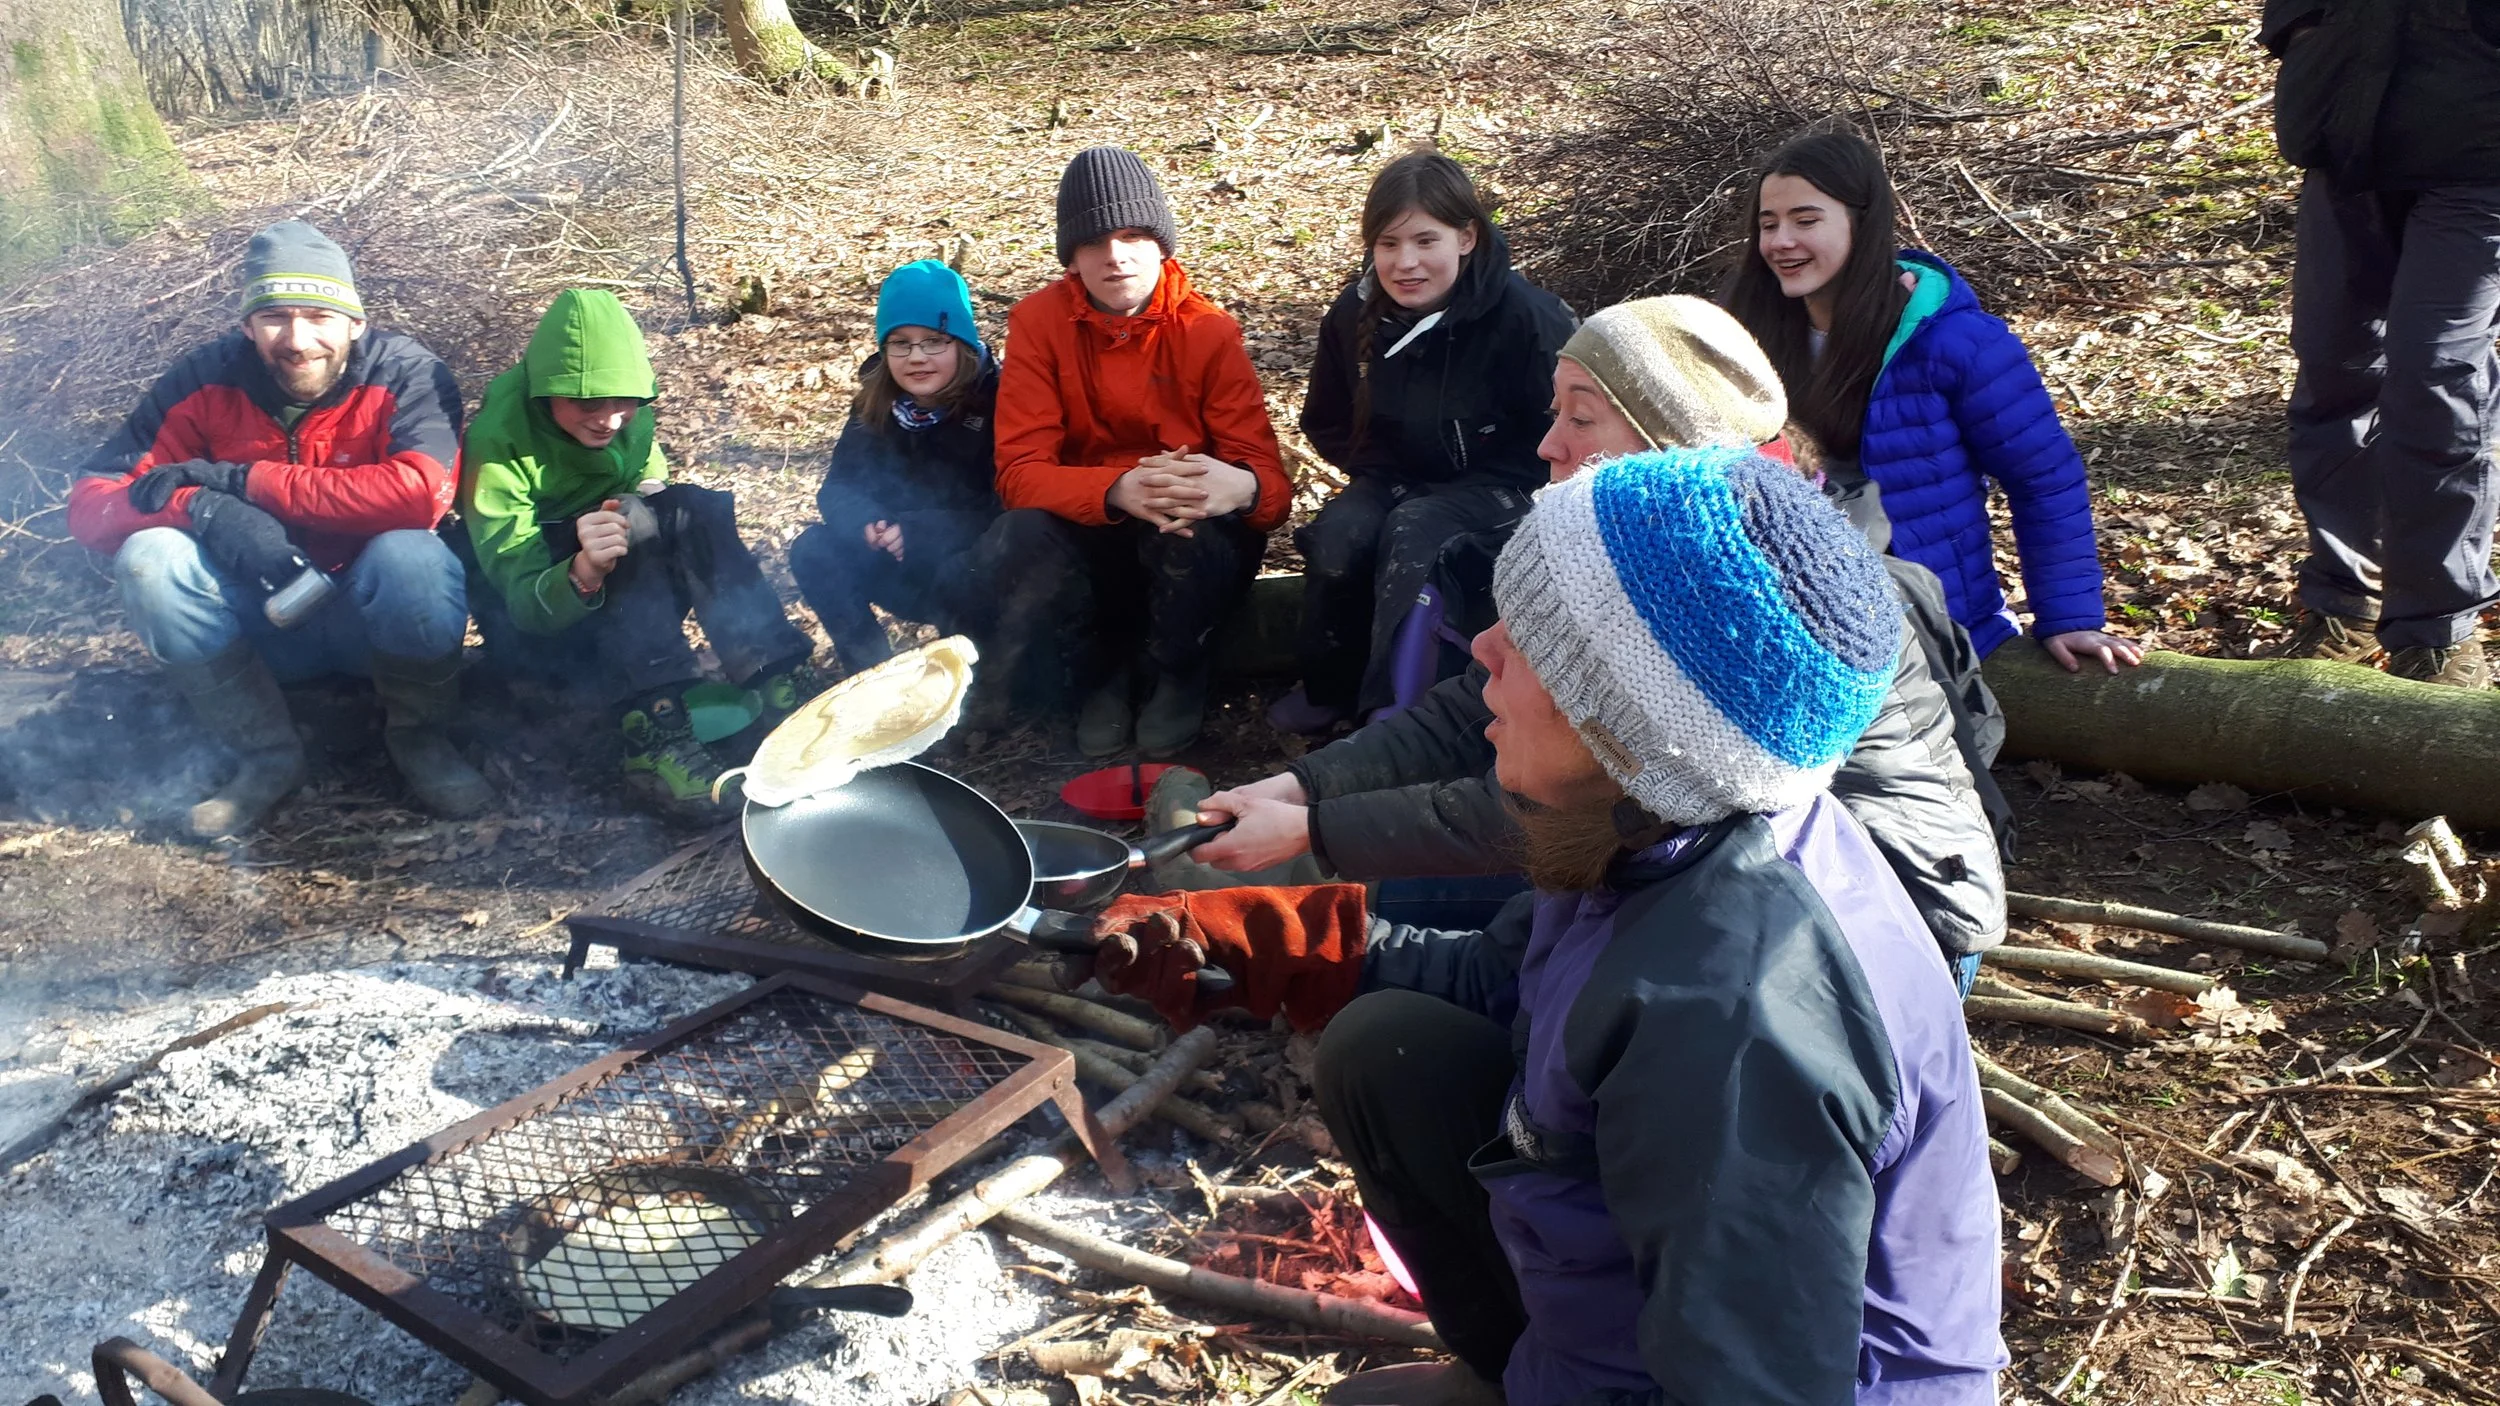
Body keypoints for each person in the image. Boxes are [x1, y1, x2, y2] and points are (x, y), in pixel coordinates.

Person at [1088, 444, 2006, 1406]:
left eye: (1529, 639)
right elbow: (1504, 978)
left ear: (1623, 723)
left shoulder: (1736, 1021)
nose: (1480, 648)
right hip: (1625, 1328)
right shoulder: (1659, 821)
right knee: (1388, 1046)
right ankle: (1515, 1366)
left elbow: (1755, 1385)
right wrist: (1272, 943)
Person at [1193, 296, 2010, 981]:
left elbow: (1582, 807)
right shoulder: (1638, 550)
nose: (1547, 443)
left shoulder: (1748, 588)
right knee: (1409, 905)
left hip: (1860, 936)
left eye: (1580, 416)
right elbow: (1474, 703)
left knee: (1455, 937)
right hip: (1700, 872)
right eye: (1555, 410)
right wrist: (1304, 788)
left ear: (1670, 444)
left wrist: (1318, 831)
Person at [67, 219, 490, 838]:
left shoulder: (406, 376)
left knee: (415, 556)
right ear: (247, 326)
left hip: (366, 622)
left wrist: (243, 483)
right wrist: (205, 510)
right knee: (151, 556)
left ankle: (421, 741)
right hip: (259, 624)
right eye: (275, 318)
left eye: (319, 316)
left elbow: (420, 494)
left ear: (355, 321)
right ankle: (266, 755)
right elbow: (90, 503)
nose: (297, 340)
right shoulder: (204, 381)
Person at [1722, 127, 2141, 674]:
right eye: (1768, 224)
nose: (1781, 242)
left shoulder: (1955, 340)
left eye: (1806, 221)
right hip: (1780, 621)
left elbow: (2044, 478)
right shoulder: (1740, 334)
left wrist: (2069, 617)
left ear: (1863, 221)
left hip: (1929, 624)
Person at [460, 288, 825, 821]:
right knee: (626, 538)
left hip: (627, 608)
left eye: (623, 402)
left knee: (692, 509)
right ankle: (654, 734)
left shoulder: (631, 419)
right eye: (587, 403)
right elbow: (519, 594)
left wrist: (656, 497)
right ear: (546, 393)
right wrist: (583, 569)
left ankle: (779, 681)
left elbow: (647, 471)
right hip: (540, 624)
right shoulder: (499, 443)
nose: (609, 420)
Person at [987, 145, 1292, 757]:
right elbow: (1018, 472)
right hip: (1092, 523)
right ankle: (1101, 674)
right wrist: (1116, 489)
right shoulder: (1039, 325)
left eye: (1132, 235)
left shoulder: (1208, 330)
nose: (1115, 256)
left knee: (1193, 530)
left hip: (1183, 531)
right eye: (1094, 241)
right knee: (1020, 534)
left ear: (1161, 244)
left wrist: (1243, 487)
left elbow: (1271, 487)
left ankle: (1179, 671)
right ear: (1071, 257)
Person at [1269, 150, 1575, 734]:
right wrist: (1378, 469)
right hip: (1394, 476)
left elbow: (1573, 427)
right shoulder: (1353, 316)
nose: (1405, 263)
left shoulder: (1529, 318)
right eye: (1388, 244)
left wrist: (1518, 480)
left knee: (1417, 534)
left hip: (1506, 485)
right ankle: (1330, 687)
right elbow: (1325, 420)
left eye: (1424, 241)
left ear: (1466, 238)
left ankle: (1398, 715)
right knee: (1340, 538)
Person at [2263, 0, 2500, 687]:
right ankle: (2344, 598)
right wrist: (2302, 30)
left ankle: (2438, 625)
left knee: (2437, 377)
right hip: (2341, 134)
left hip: (2479, 157)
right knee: (2333, 365)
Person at [788, 260, 1001, 679]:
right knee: (813, 548)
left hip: (973, 574)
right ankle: (870, 673)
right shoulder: (875, 403)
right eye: (900, 343)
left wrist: (920, 532)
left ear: (962, 344)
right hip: (896, 561)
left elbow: (1009, 506)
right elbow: (837, 487)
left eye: (934, 341)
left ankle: (974, 681)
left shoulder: (999, 400)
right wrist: (864, 522)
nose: (917, 357)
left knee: (970, 565)